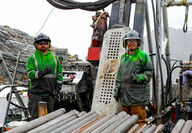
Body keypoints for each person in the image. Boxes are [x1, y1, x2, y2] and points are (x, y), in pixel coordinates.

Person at [114, 30, 153, 125]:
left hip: (137, 97)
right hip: (125, 97)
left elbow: (149, 73)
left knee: (140, 121)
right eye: (129, 41)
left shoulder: (143, 56)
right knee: (126, 121)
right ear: (126, 43)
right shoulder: (124, 57)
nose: (131, 43)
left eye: (134, 41)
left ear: (138, 42)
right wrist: (116, 90)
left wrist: (139, 77)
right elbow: (119, 75)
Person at [26, 33, 63, 120]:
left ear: (49, 45)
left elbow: (59, 73)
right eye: (40, 43)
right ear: (36, 45)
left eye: (45, 43)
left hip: (50, 95)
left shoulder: (54, 58)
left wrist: (58, 87)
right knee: (37, 120)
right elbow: (30, 74)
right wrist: (42, 72)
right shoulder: (32, 58)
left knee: (49, 120)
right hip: (37, 95)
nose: (43, 45)